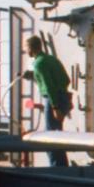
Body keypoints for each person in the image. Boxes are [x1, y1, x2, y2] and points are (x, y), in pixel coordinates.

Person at [24, 36, 71, 167]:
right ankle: (62, 167)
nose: (25, 50)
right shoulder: (52, 59)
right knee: (57, 136)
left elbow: (49, 87)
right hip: (63, 97)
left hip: (52, 100)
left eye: (25, 47)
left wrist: (55, 107)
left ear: (30, 48)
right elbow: (66, 80)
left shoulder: (38, 64)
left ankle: (57, 168)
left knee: (50, 139)